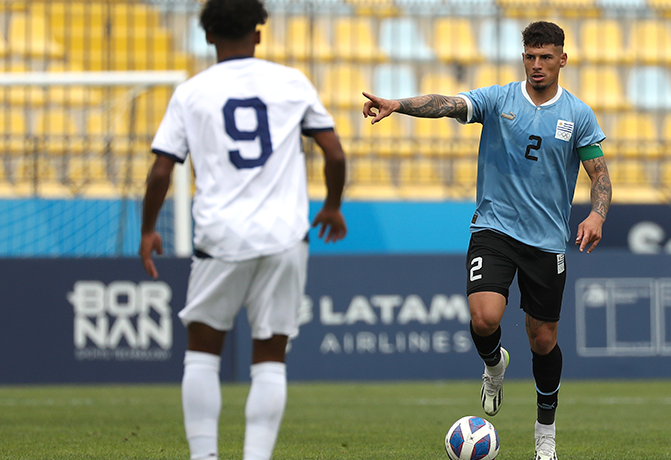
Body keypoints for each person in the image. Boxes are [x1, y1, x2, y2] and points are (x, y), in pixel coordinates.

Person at [362, 21, 611, 460]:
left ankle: (545, 435)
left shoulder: (579, 115)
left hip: (548, 241)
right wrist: (399, 104)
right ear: (524, 58)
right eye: (530, 57)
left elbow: (599, 175)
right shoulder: (498, 99)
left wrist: (597, 213)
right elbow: (446, 103)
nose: (537, 65)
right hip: (494, 228)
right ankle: (494, 365)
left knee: (543, 341)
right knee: (483, 318)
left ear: (562, 60)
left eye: (546, 57)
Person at [139, 1, 347, 459]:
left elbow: (160, 172)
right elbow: (333, 152)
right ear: (258, 33)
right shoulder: (292, 82)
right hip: (285, 238)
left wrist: (149, 229)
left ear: (208, 37)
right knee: (271, 356)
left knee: (202, 351)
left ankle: (204, 456)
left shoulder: (191, 93)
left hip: (220, 238)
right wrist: (332, 206)